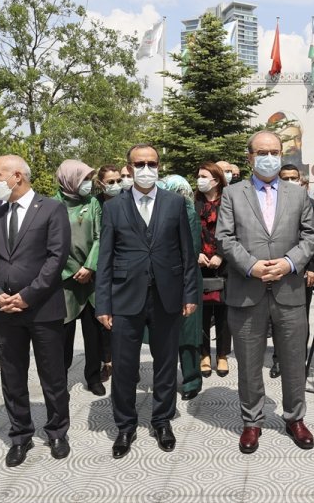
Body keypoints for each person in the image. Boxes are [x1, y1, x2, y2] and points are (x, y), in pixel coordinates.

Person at [216, 130, 314, 454]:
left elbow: (312, 236)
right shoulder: (233, 194)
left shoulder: (297, 194)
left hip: (289, 289)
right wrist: (252, 266)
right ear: (249, 156)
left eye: (275, 151)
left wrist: (290, 263)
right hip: (247, 289)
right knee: (248, 362)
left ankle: (295, 418)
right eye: (262, 152)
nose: (269, 157)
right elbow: (224, 237)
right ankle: (252, 421)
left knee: (292, 359)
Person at [95, 144, 198, 458]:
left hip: (167, 297)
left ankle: (162, 420)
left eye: (151, 163)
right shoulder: (113, 207)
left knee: (166, 364)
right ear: (129, 167)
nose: (145, 169)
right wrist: (103, 305)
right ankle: (125, 425)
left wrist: (190, 294)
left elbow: (187, 253)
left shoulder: (175, 203)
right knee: (124, 366)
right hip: (125, 297)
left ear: (159, 166)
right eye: (139, 163)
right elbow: (106, 258)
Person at [0, 155, 72, 466]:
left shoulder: (51, 209)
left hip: (43, 308)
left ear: (16, 176)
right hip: (5, 311)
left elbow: (56, 258)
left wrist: (27, 296)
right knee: (12, 375)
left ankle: (57, 430)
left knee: (52, 373)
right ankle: (20, 435)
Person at [52, 160, 105, 396]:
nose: (87, 184)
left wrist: (89, 266)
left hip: (90, 279)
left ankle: (93, 377)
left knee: (93, 333)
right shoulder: (51, 205)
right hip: (63, 281)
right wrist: (69, 270)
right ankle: (59, 377)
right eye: (83, 179)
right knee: (63, 334)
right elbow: (49, 244)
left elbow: (100, 237)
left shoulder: (92, 203)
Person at [270, 163, 314, 378]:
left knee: (300, 319)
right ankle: (278, 360)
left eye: (294, 177)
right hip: (277, 268)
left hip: (302, 271)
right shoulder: (270, 203)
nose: (290, 181)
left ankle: (298, 361)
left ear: (300, 180)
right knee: (276, 318)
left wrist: (313, 269)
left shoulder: (310, 204)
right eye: (286, 177)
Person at [158, 174, 204, 400]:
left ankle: (191, 380)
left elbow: (191, 250)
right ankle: (165, 379)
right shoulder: (158, 211)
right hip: (161, 281)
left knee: (188, 334)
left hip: (186, 280)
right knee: (164, 334)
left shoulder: (189, 212)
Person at [195, 162, 231, 379]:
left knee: (224, 313)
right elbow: (187, 230)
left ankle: (223, 355)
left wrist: (221, 254)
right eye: (198, 176)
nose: (199, 179)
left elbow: (235, 231)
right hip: (200, 265)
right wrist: (196, 253)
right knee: (202, 313)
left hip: (224, 265)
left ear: (216, 180)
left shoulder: (228, 201)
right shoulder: (193, 202)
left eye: (203, 176)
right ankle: (204, 355)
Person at [94, 163, 122, 381]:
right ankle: (107, 362)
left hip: (123, 267)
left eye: (118, 181)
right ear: (100, 184)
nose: (115, 185)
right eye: (110, 182)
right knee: (104, 319)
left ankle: (125, 361)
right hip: (100, 267)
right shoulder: (96, 205)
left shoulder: (128, 201)